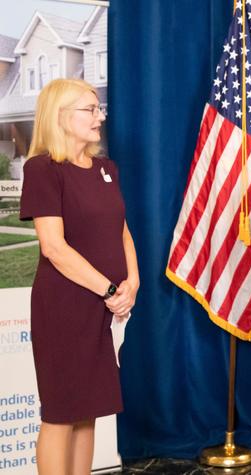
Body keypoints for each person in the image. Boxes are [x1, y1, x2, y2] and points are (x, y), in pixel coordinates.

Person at [19, 79, 139, 474]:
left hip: (104, 308)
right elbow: (53, 247)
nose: (99, 116)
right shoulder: (43, 169)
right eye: (89, 109)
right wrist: (108, 289)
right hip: (65, 308)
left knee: (90, 410)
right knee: (61, 412)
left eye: (98, 108)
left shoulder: (107, 169)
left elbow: (122, 231)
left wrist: (131, 283)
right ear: (61, 116)